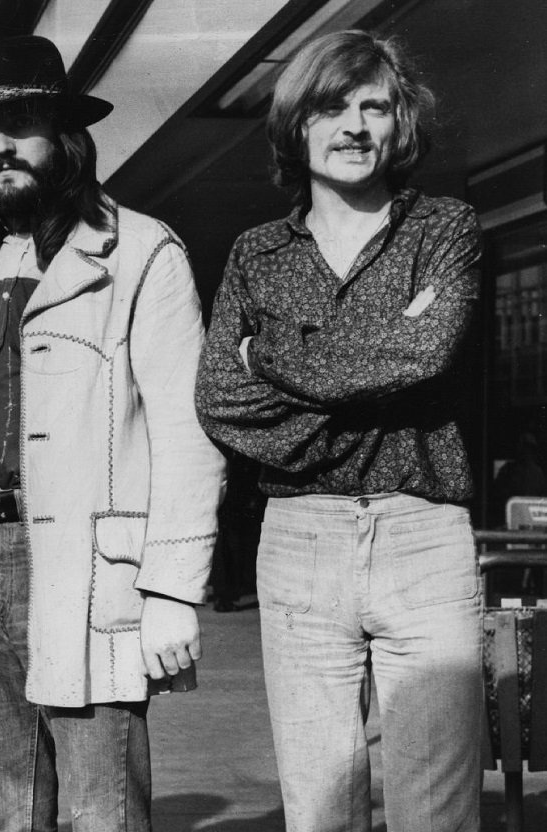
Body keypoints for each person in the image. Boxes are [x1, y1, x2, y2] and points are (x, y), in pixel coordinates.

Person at [0, 36, 225, 832]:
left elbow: (188, 428)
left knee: (100, 807)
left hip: (84, 564)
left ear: (66, 138)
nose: (0, 146)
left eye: (23, 123)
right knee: (5, 810)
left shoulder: (142, 252)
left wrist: (174, 590)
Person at [195, 30, 484, 832]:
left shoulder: (444, 230)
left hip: (422, 533)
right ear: (297, 125)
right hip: (300, 537)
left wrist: (272, 355)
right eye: (332, 106)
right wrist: (376, 373)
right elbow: (221, 402)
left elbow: (423, 353)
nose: (355, 125)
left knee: (438, 809)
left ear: (400, 125)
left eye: (375, 106)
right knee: (320, 806)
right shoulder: (256, 255)